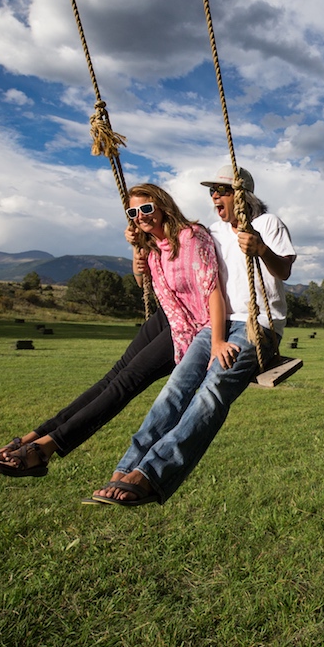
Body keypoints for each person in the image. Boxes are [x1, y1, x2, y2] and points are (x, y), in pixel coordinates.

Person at [0, 183, 224, 477]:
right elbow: (144, 284)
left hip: (192, 326)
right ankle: (30, 439)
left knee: (125, 384)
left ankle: (43, 449)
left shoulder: (191, 237)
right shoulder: (153, 245)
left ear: (163, 206)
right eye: (133, 212)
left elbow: (212, 289)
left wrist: (218, 341)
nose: (140, 216)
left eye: (146, 208)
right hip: (168, 316)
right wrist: (137, 253)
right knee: (112, 378)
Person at [90, 164, 295, 506]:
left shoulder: (266, 224)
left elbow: (285, 269)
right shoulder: (213, 231)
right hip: (214, 325)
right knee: (174, 390)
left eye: (223, 190)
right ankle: (126, 468)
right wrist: (138, 242)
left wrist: (261, 249)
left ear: (242, 195)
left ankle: (151, 475)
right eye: (212, 190)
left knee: (212, 391)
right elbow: (172, 241)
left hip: (255, 324)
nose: (215, 195)